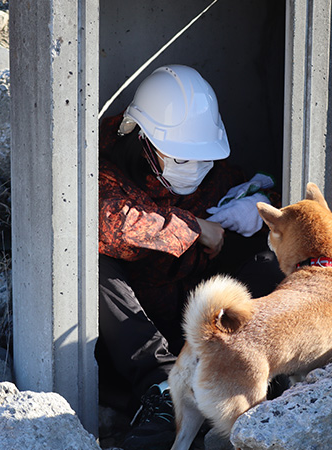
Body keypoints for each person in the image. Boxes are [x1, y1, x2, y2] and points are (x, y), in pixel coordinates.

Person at [97, 64, 283, 450]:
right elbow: (109, 223)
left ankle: (248, 377)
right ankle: (163, 394)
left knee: (271, 263)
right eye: (181, 158)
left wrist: (260, 206)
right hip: (134, 330)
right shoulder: (107, 165)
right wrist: (196, 227)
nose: (194, 169)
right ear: (142, 138)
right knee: (93, 271)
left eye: (202, 158)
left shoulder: (213, 173)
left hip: (200, 325)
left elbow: (282, 209)